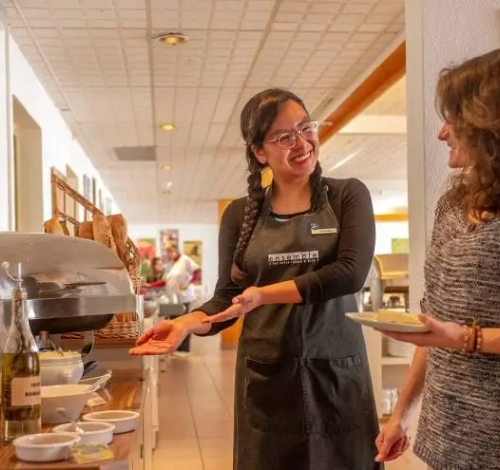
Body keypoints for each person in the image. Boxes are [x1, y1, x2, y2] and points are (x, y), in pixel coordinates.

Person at [130, 88, 382, 469]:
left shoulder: (347, 196)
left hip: (337, 373)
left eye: (305, 128)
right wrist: (186, 323)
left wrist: (264, 294)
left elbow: (349, 274)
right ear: (260, 153)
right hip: (267, 377)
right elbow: (227, 298)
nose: (302, 143)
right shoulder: (239, 215)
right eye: (284, 137)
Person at [375, 49, 500, 470]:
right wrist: (402, 412)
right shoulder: (451, 204)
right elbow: (436, 322)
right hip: (447, 430)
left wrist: (465, 337)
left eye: (454, 119)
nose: (442, 133)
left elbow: (449, 333)